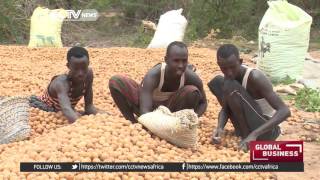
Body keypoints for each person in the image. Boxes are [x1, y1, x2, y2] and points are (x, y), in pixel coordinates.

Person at [208, 44, 291, 151]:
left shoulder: (255, 77)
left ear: (240, 61)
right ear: (219, 65)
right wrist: (220, 127)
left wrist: (254, 134)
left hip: (267, 132)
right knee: (217, 82)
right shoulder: (228, 77)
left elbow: (285, 111)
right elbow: (225, 108)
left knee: (230, 86)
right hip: (247, 127)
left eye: (232, 67)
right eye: (224, 68)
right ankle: (244, 134)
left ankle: (247, 136)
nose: (229, 72)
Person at [109, 41, 207, 123]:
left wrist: (193, 120)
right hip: (150, 110)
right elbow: (145, 111)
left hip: (173, 112)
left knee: (192, 91)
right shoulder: (154, 75)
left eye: (184, 61)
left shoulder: (191, 77)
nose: (181, 65)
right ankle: (132, 122)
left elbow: (203, 103)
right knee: (116, 81)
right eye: (176, 61)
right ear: (166, 60)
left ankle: (179, 123)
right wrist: (153, 124)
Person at [29, 46, 97, 123]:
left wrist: (107, 117)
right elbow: (66, 108)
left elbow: (89, 107)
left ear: (88, 64)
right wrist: (84, 126)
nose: (80, 73)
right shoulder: (61, 82)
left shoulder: (88, 75)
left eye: (84, 68)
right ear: (68, 66)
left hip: (65, 113)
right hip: (45, 110)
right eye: (76, 69)